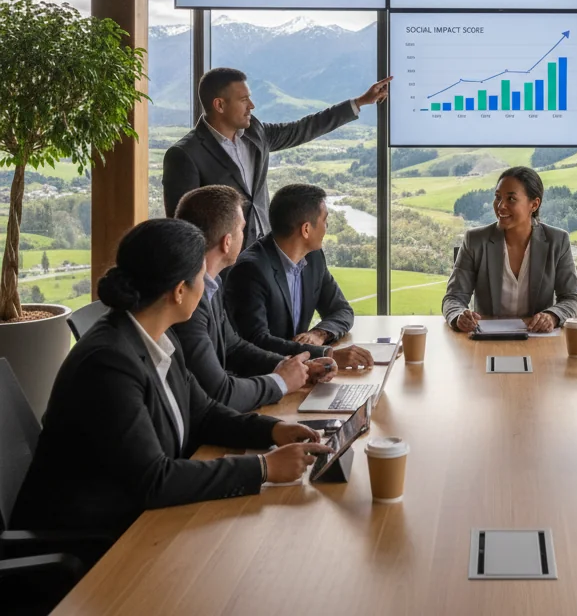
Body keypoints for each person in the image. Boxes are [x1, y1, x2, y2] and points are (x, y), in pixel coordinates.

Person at [11, 220, 331, 539]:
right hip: (91, 539)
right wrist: (264, 468)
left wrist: (274, 430)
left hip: (139, 519)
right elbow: (154, 480)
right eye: (200, 278)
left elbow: (203, 412)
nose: (206, 287)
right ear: (179, 291)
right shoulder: (108, 363)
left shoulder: (158, 336)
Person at [163, 66, 392, 249]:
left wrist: (359, 102)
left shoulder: (256, 132)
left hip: (263, 255)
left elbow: (303, 128)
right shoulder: (184, 155)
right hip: (221, 269)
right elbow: (183, 229)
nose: (251, 106)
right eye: (244, 100)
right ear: (219, 105)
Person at [173, 185, 347, 411]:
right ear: (227, 242)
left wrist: (298, 366)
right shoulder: (189, 304)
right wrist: (282, 381)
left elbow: (233, 347)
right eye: (242, 229)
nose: (246, 237)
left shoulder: (210, 287)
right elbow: (220, 392)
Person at [225, 184, 371, 366]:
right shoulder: (250, 270)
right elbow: (257, 341)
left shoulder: (314, 258)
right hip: (267, 375)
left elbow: (341, 310)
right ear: (306, 229)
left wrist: (318, 334)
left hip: (303, 373)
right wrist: (325, 354)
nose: (327, 227)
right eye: (325, 220)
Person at [442, 166, 577, 333]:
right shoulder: (475, 241)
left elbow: (572, 299)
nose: (501, 206)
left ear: (534, 204)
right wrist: (459, 316)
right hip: (487, 340)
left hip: (537, 340)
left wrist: (552, 316)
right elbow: (453, 298)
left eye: (511, 199)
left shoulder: (557, 241)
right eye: (498, 198)